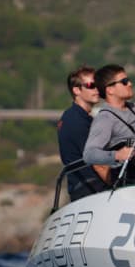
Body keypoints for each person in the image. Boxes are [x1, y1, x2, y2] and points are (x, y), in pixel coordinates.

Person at [83, 64, 135, 185]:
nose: (130, 84)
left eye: (128, 80)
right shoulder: (105, 118)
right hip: (131, 179)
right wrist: (118, 154)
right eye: (124, 81)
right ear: (110, 89)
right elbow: (89, 154)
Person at [57, 66, 106, 201]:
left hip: (85, 188)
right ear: (77, 90)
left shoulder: (77, 117)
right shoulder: (76, 121)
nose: (97, 89)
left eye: (98, 84)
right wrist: (117, 184)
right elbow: (97, 163)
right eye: (91, 85)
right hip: (90, 190)